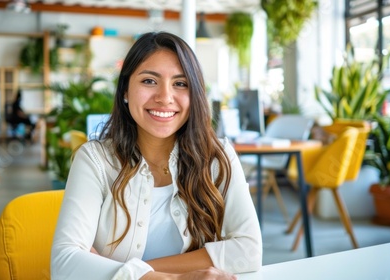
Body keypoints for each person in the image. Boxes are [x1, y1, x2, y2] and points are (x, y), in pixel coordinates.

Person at [51, 31, 262, 280]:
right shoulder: (95, 160)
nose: (165, 97)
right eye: (149, 81)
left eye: (180, 83)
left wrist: (125, 270)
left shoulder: (218, 157)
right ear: (125, 91)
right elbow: (63, 264)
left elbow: (249, 252)